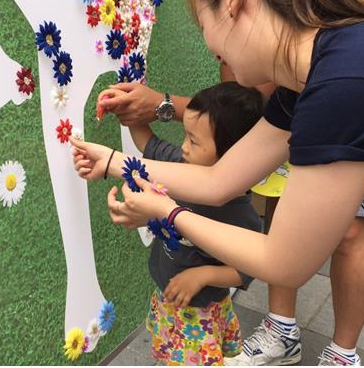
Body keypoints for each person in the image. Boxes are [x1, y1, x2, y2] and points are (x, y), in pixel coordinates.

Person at [72, 0, 364, 366]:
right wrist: (111, 163)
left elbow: (283, 261)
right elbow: (220, 180)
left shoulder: (348, 79)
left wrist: (169, 213)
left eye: (202, 20)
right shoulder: (306, 82)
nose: (212, 47)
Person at [105, 83, 264, 365]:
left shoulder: (239, 215)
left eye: (193, 141)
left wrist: (203, 276)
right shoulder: (182, 166)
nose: (183, 147)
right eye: (186, 136)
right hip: (170, 298)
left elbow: (246, 270)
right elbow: (147, 142)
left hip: (200, 310)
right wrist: (125, 109)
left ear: (231, 156)